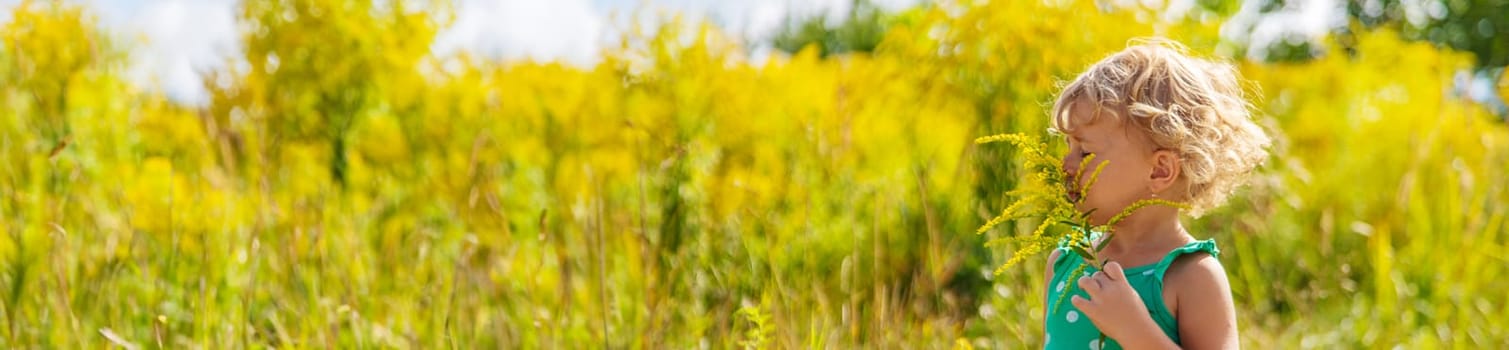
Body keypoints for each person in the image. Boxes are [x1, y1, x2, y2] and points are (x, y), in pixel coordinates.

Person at [1042, 39, 1271, 350]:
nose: (1066, 165)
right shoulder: (1065, 262)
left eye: (1085, 152)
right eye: (1068, 148)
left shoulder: (1192, 275)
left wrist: (1134, 329)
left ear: (1159, 171)